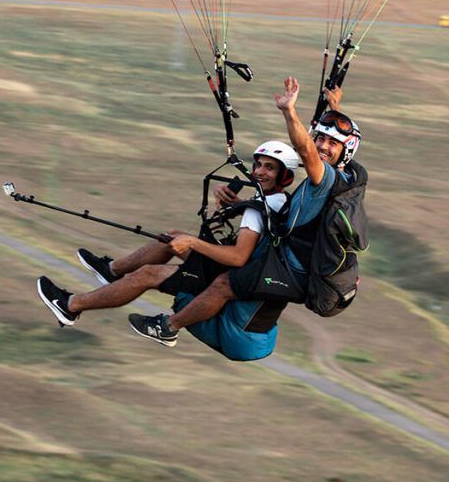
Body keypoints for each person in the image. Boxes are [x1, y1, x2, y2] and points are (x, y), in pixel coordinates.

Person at [126, 77, 361, 355]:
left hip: (293, 267)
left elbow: (307, 151)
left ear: (344, 151)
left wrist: (289, 111)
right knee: (202, 259)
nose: (322, 146)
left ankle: (168, 327)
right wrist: (334, 108)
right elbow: (320, 153)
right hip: (295, 257)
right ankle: (116, 272)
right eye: (320, 138)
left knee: (225, 283)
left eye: (332, 143)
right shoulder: (352, 176)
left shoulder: (326, 179)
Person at [35, 140, 302, 349]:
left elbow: (238, 257)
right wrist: (234, 206)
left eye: (270, 168)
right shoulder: (274, 200)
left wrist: (195, 243)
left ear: (285, 176)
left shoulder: (261, 208)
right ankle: (112, 270)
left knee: (149, 273)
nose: (259, 171)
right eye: (259, 165)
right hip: (233, 269)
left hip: (229, 273)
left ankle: (70, 306)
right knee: (172, 237)